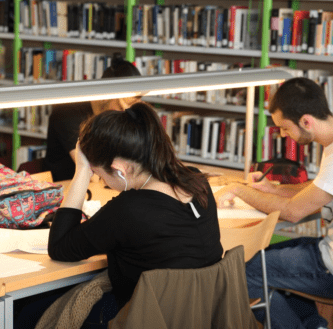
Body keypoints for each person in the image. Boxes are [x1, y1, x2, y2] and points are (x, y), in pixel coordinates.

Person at [219, 77, 333, 329]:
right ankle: (314, 326)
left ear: (306, 122)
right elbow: (321, 188)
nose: (282, 134)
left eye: (285, 127)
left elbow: (292, 213)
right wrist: (273, 190)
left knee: (240, 272)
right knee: (259, 258)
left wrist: (238, 189)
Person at [45, 101, 223, 326]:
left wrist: (81, 170)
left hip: (147, 319)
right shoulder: (197, 181)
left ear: (120, 169)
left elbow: (60, 247)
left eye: (99, 175)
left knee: (30, 312)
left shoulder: (128, 210)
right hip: (202, 315)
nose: (102, 181)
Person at [20, 54, 141, 181]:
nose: (126, 113)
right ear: (106, 94)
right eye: (122, 105)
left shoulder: (113, 114)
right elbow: (93, 174)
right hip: (64, 187)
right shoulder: (67, 113)